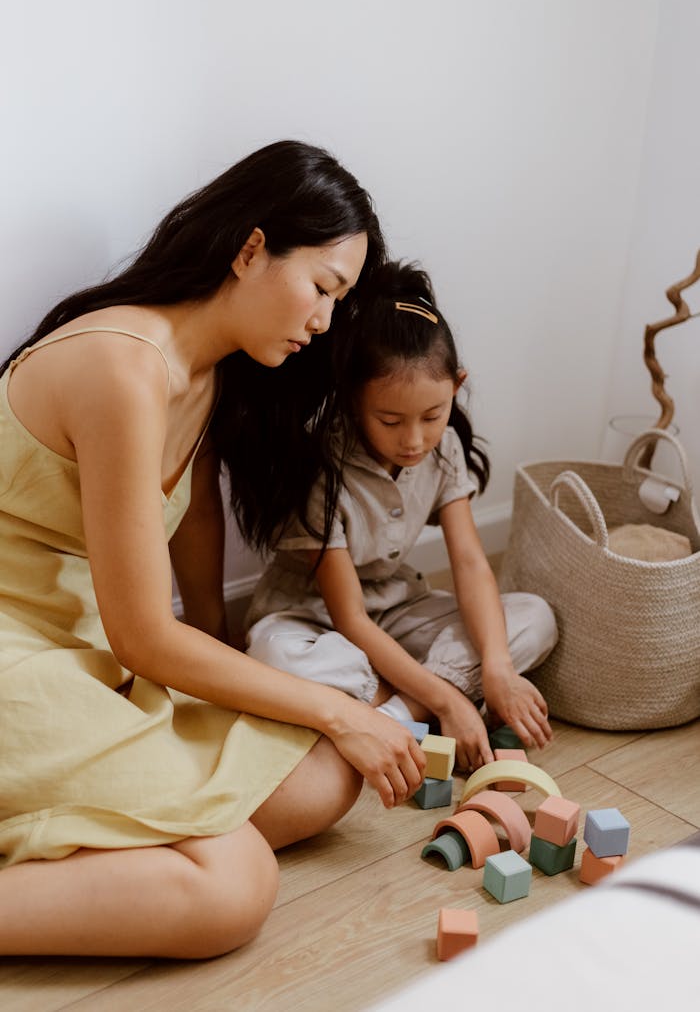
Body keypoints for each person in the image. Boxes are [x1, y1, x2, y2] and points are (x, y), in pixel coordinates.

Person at [0, 142, 426, 960]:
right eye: (323, 289)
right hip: (23, 650)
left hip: (85, 648)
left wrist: (231, 673)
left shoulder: (213, 375)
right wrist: (335, 705)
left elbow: (189, 548)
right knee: (235, 888)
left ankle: (84, 837)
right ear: (251, 248)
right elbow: (146, 638)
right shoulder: (122, 367)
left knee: (326, 777)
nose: (323, 321)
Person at [246, 261, 558, 772]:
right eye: (390, 421)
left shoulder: (446, 449)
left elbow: (471, 565)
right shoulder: (322, 466)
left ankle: (396, 710)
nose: (413, 440)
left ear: (456, 386)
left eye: (432, 416)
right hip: (315, 620)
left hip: (395, 608)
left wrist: (499, 668)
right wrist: (450, 700)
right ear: (352, 399)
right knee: (274, 658)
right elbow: (347, 618)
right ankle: (430, 698)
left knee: (534, 618)